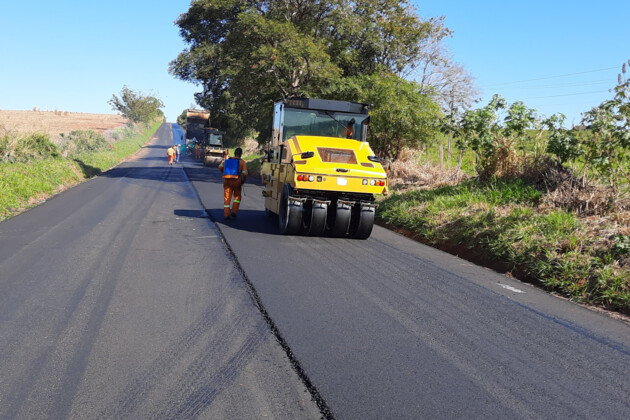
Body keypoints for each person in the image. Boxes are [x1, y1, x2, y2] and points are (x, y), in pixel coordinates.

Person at [219, 147, 248, 219]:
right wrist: (243, 180)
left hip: (227, 180)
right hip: (237, 181)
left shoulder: (228, 160)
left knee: (227, 198)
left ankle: (226, 214)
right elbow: (245, 173)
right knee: (237, 197)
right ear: (241, 154)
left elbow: (220, 167)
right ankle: (234, 212)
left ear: (234, 153)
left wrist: (224, 172)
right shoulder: (242, 162)